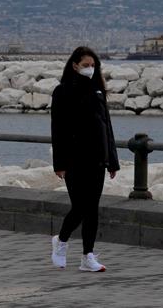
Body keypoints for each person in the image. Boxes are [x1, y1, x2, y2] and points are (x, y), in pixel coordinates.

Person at [49, 46, 120, 272]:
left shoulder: (98, 91)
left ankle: (87, 256)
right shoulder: (62, 92)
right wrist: (59, 164)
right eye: (86, 65)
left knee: (92, 209)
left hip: (97, 160)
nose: (90, 69)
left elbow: (106, 127)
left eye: (93, 66)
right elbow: (57, 129)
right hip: (73, 160)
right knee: (79, 206)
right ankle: (61, 241)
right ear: (75, 65)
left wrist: (113, 160)